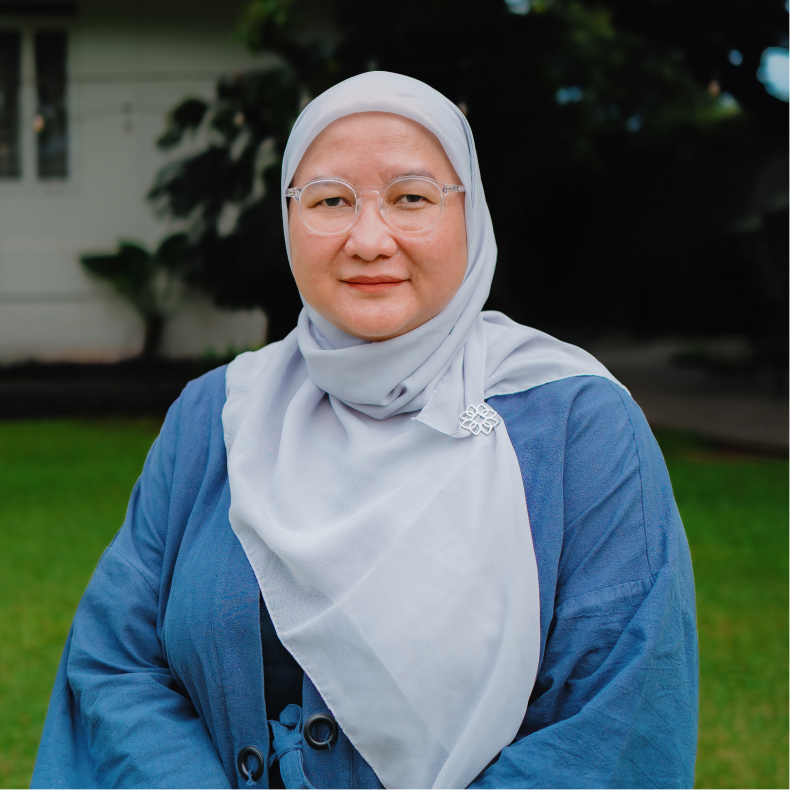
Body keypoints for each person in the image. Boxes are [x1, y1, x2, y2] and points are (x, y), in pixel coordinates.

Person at [32, 72, 698, 790]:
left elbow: (616, 716)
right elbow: (114, 661)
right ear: (288, 218)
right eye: (330, 201)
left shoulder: (580, 426)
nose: (369, 239)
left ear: (468, 217)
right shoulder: (216, 414)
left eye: (411, 198)